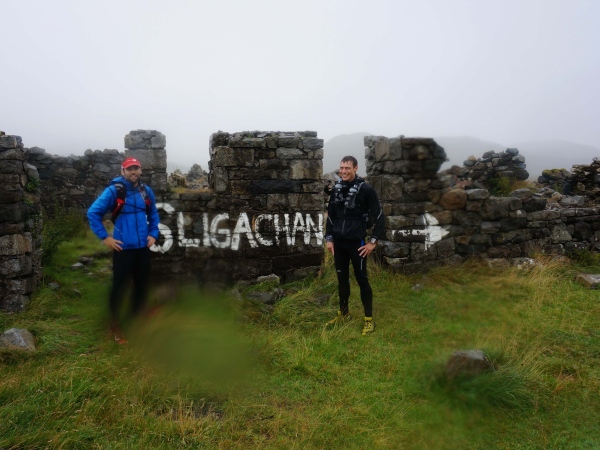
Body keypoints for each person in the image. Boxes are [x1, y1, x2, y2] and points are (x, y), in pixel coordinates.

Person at [87, 157, 160, 344]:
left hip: (142, 248)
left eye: (136, 168)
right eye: (129, 169)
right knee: (120, 287)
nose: (133, 172)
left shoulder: (146, 191)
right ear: (123, 171)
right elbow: (93, 213)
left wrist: (153, 234)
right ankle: (116, 324)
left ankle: (137, 318)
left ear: (140, 171)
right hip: (123, 248)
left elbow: (153, 214)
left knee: (142, 284)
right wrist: (105, 237)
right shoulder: (114, 191)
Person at [325, 156, 385, 336]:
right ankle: (343, 313)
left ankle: (368, 319)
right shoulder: (336, 189)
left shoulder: (366, 190)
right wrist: (329, 239)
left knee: (362, 280)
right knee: (342, 280)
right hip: (339, 244)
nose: (343, 171)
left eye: (347, 168)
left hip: (357, 244)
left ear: (355, 168)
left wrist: (372, 242)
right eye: (341, 168)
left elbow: (380, 217)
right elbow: (331, 216)